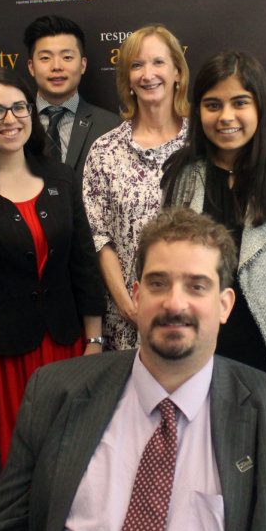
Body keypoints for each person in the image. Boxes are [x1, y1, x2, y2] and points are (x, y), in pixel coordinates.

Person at [0, 207, 266, 531]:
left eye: (197, 286)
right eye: (158, 283)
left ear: (224, 305)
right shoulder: (55, 391)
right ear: (137, 294)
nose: (174, 303)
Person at [0, 68, 104, 465]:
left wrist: (93, 343)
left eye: (18, 107)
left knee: (74, 461)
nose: (10, 120)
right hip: (1, 360)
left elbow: (84, 265)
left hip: (67, 350)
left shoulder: (60, 177)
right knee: (18, 468)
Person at [163, 50, 266, 384]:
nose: (226, 116)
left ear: (260, 107)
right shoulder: (183, 175)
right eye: (213, 105)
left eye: (240, 103)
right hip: (194, 360)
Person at [83, 24, 190, 350]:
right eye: (137, 65)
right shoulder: (104, 151)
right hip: (128, 323)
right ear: (127, 79)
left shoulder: (203, 145)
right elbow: (99, 237)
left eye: (158, 62)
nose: (148, 74)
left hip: (194, 316)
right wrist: (127, 304)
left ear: (177, 73)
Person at [23, 15, 122, 176]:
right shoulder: (14, 123)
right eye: (45, 58)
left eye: (67, 57)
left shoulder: (111, 127)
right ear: (31, 67)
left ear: (82, 65)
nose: (56, 66)